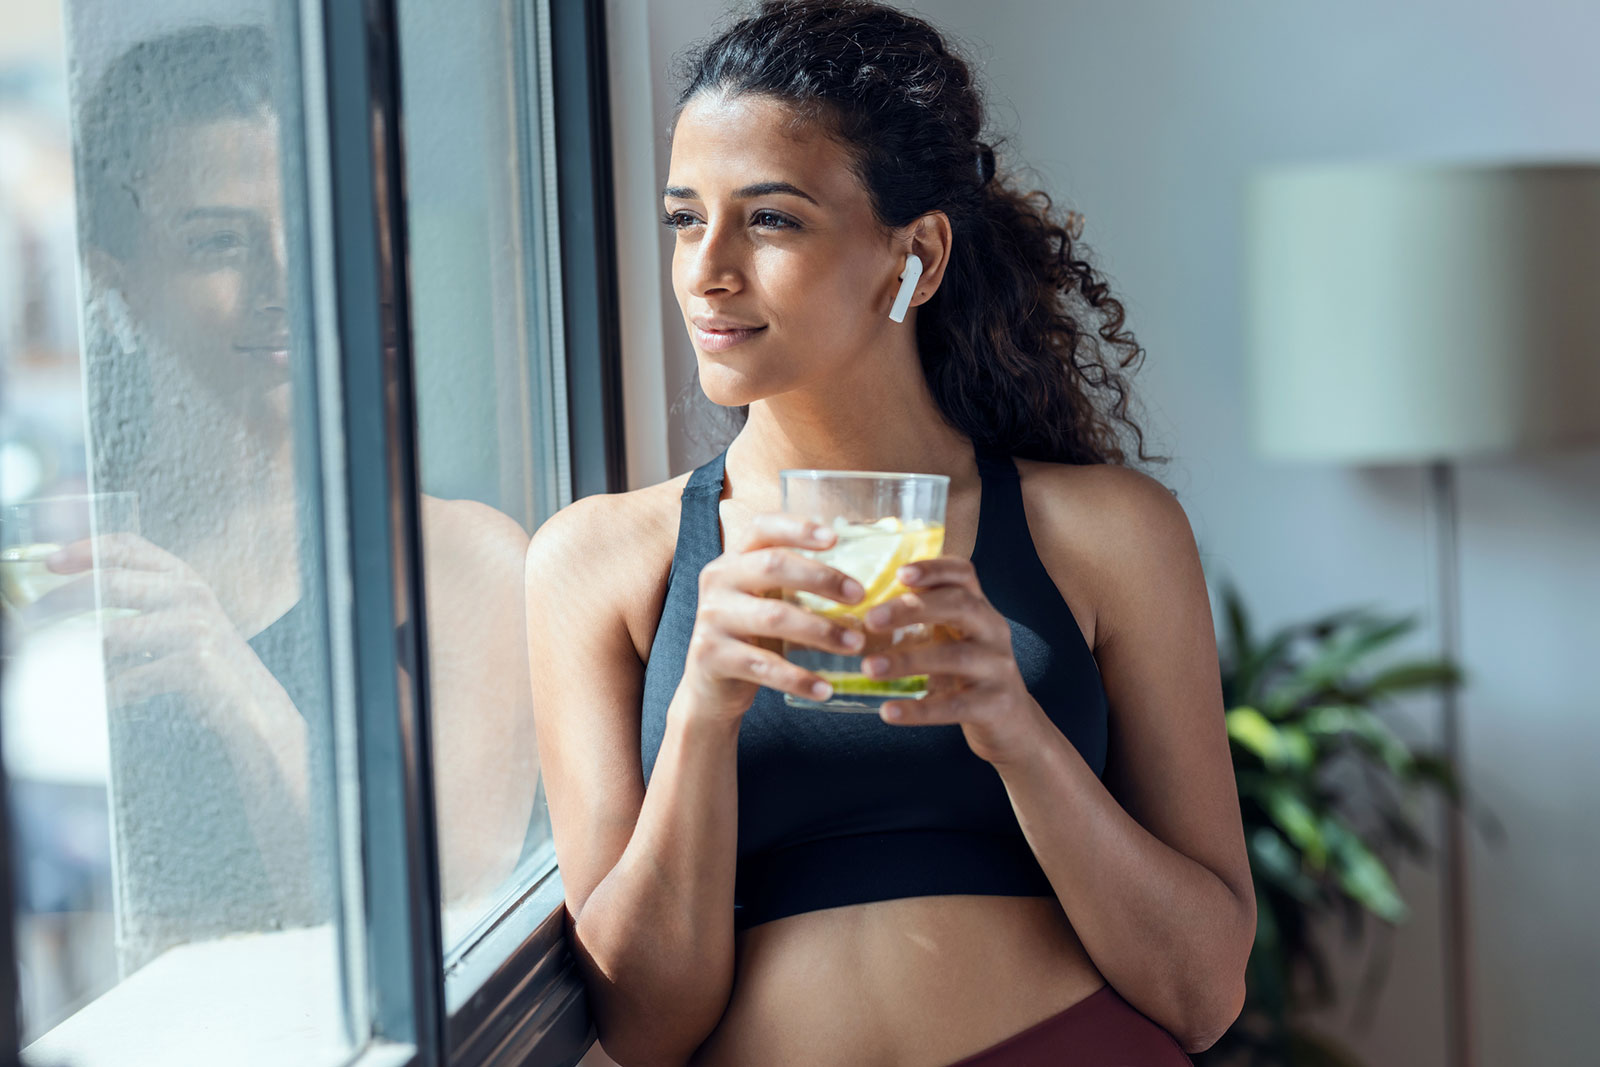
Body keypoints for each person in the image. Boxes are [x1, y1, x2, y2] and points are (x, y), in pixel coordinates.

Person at [524, 2, 1256, 1064]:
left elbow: (1201, 991)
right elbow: (640, 1024)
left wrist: (1015, 728)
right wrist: (703, 712)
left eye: (769, 219)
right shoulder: (599, 562)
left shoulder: (1103, 534)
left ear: (913, 254)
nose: (706, 269)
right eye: (686, 217)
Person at [44, 24, 538, 971]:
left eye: (317, 231)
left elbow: (445, 917)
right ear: (118, 284)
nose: (288, 284)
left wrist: (231, 678)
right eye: (220, 243)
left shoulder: (460, 564)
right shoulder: (68, 562)